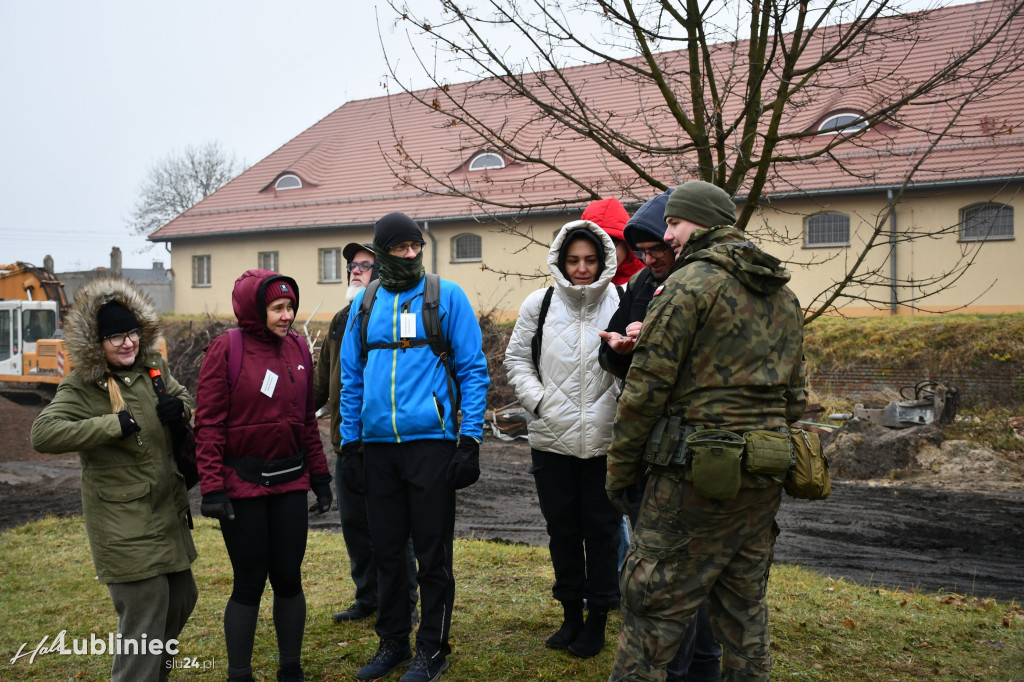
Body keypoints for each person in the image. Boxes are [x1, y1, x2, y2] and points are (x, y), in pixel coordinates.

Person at [605, 181, 806, 682]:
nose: (668, 234)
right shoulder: (782, 292)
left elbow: (644, 392)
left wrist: (621, 473)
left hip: (690, 480)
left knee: (651, 609)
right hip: (763, 473)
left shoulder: (687, 285)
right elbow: (796, 398)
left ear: (702, 222)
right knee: (745, 616)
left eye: (674, 223)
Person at [339, 212, 490, 682]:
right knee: (387, 552)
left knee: (432, 554)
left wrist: (470, 441)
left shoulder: (446, 297)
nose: (410, 254)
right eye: (400, 248)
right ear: (383, 251)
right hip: (378, 450)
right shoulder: (365, 305)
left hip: (432, 446)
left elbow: (473, 370)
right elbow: (350, 379)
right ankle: (393, 643)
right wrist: (350, 446)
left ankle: (433, 648)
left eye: (415, 246)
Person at [31, 278, 197, 681]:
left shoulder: (152, 369)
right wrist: (112, 424)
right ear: (96, 343)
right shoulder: (81, 384)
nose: (127, 343)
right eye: (116, 337)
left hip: (166, 512)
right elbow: (43, 433)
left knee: (181, 598)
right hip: (123, 521)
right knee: (146, 615)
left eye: (132, 333)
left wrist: (182, 409)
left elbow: (184, 397)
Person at [598, 189, 723, 682]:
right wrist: (621, 348)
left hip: (690, 449)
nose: (650, 261)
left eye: (658, 250)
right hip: (658, 443)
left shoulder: (701, 288)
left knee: (678, 578)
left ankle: (695, 667)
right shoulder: (646, 283)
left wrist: (648, 346)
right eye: (643, 253)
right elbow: (609, 352)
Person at [194, 269, 332, 682]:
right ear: (256, 310)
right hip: (243, 486)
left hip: (290, 481)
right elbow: (209, 424)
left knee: (289, 578)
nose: (287, 315)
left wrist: (321, 477)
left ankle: (290, 667)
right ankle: (240, 673)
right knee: (250, 581)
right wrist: (213, 487)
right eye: (277, 308)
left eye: (290, 306)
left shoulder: (298, 350)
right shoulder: (226, 349)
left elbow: (307, 420)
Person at [503, 219, 622, 659]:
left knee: (603, 532)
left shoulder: (624, 301)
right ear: (560, 260)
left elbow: (636, 363)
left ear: (604, 259)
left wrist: (618, 404)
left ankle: (598, 623)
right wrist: (539, 402)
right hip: (550, 440)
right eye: (573, 260)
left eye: (590, 260)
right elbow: (516, 358)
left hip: (606, 442)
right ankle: (571, 615)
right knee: (563, 531)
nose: (582, 268)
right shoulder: (541, 302)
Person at [313, 242, 418, 625]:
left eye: (364, 265)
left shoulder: (397, 313)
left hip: (385, 443)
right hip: (346, 444)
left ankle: (403, 602)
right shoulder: (341, 319)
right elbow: (321, 383)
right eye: (352, 266)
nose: (355, 271)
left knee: (392, 531)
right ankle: (368, 597)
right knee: (356, 527)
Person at [582, 197, 645, 286]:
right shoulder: (578, 280)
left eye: (611, 243)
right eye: (597, 245)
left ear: (625, 242)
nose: (605, 253)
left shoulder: (647, 278)